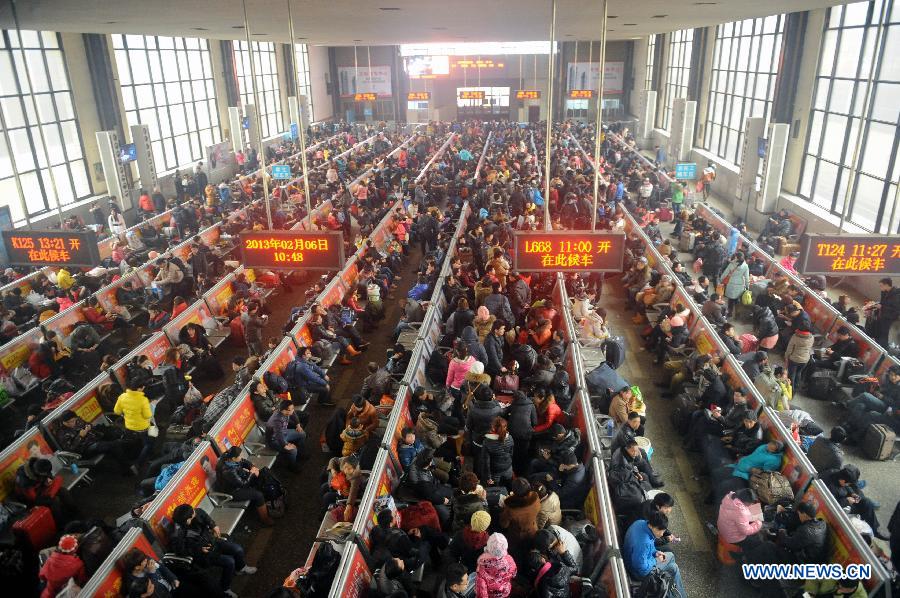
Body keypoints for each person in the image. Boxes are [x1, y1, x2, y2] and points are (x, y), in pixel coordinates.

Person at [170, 503, 256, 597]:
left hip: (212, 540)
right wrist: (198, 549)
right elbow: (180, 551)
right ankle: (225, 588)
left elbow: (206, 517)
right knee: (229, 562)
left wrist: (213, 525)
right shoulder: (177, 533)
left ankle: (241, 568)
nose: (195, 512)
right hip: (202, 554)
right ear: (187, 520)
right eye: (193, 514)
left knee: (237, 549)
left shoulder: (196, 512)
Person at [623, 512, 686, 598]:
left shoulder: (640, 523)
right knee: (673, 568)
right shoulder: (644, 543)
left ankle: (667, 587)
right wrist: (656, 560)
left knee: (670, 557)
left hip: (632, 558)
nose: (662, 534)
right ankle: (678, 595)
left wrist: (655, 552)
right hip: (637, 572)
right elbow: (642, 570)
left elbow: (647, 549)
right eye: (660, 531)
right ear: (652, 526)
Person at [215, 445, 275, 525]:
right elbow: (243, 484)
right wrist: (251, 473)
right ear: (233, 459)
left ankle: (268, 501)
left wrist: (252, 467)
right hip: (233, 491)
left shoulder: (230, 458)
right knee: (258, 495)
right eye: (240, 455)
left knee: (262, 476)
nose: (241, 456)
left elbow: (244, 461)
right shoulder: (228, 471)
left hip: (240, 480)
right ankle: (265, 518)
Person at [114, 372, 154, 469]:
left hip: (129, 427)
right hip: (142, 427)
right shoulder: (143, 400)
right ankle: (139, 463)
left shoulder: (122, 397)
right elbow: (148, 415)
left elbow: (116, 411)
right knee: (150, 441)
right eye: (143, 387)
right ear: (140, 388)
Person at [498, 477, 541, 545]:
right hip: (533, 530)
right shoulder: (535, 498)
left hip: (517, 535)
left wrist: (503, 508)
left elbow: (504, 525)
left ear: (514, 492)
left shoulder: (511, 508)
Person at [265, 400, 306, 470]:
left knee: (302, 433)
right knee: (293, 450)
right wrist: (285, 445)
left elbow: (294, 414)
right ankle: (292, 466)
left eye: (293, 408)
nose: (292, 411)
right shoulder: (276, 420)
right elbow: (278, 435)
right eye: (290, 410)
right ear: (283, 410)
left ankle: (299, 453)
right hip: (275, 440)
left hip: (284, 432)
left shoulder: (288, 411)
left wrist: (298, 425)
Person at [475, 533, 517, 598]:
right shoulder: (510, 560)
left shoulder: (482, 567)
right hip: (505, 591)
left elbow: (482, 593)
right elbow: (514, 574)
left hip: (491, 595)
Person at [479, 417, 514, 491]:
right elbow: (511, 454)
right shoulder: (510, 438)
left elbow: (486, 462)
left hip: (495, 472)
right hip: (508, 468)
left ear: (493, 427)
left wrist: (488, 477)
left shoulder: (487, 442)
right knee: (509, 487)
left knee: (496, 490)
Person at [871, 277, 900, 347]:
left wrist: (882, 307)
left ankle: (883, 348)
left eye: (881, 286)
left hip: (889, 317)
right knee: (879, 330)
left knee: (884, 333)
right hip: (882, 314)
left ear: (886, 285)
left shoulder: (896, 295)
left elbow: (896, 309)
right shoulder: (884, 292)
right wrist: (877, 305)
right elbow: (883, 302)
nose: (880, 287)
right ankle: (877, 345)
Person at [720, 252, 750, 318]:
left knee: (730, 300)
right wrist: (747, 286)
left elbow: (725, 273)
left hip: (731, 283)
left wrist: (721, 280)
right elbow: (747, 277)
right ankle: (737, 314)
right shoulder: (745, 266)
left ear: (736, 257)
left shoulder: (731, 264)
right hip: (740, 285)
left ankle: (729, 313)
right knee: (737, 301)